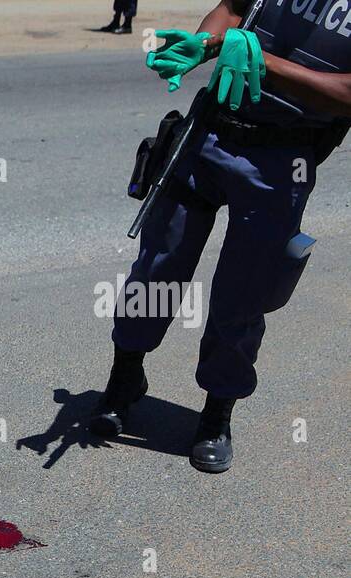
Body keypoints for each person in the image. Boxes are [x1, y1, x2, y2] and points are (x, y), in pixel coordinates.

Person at [92, 0, 351, 472]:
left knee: (243, 295)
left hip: (282, 161)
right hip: (206, 136)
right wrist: (205, 43)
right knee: (156, 268)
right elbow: (231, 9)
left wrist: (260, 61)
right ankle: (124, 377)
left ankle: (217, 413)